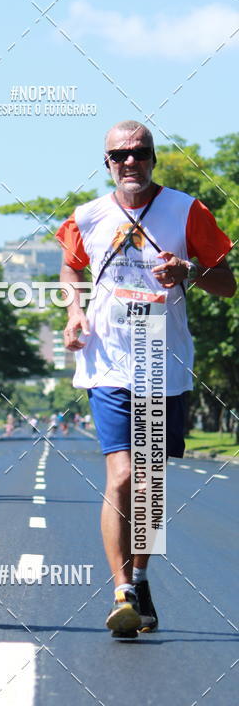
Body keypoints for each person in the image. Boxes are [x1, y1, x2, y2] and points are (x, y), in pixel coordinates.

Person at [56, 121, 235, 637]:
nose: (130, 162)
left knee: (150, 487)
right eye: (120, 155)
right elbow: (71, 269)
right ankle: (123, 592)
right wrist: (74, 312)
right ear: (107, 162)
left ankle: (141, 574)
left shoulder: (187, 210)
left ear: (153, 158)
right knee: (122, 476)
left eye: (140, 153)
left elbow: (228, 283)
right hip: (107, 359)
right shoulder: (88, 216)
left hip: (164, 359)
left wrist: (190, 273)